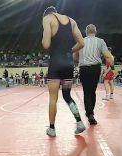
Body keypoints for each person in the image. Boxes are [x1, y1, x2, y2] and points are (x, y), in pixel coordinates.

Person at [42, 6, 85, 137]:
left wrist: (44, 37)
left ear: (47, 14)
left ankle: (52, 129)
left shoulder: (47, 18)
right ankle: (79, 122)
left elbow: (46, 44)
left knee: (53, 98)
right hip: (68, 64)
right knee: (67, 96)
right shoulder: (72, 21)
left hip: (55, 64)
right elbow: (81, 43)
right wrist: (68, 51)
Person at [74, 24, 114, 124]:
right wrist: (111, 67)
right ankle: (90, 112)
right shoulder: (100, 41)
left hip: (83, 68)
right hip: (95, 69)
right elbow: (108, 56)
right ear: (95, 32)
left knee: (86, 90)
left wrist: (79, 58)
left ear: (86, 32)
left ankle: (89, 113)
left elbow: (74, 55)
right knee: (92, 90)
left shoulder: (81, 41)